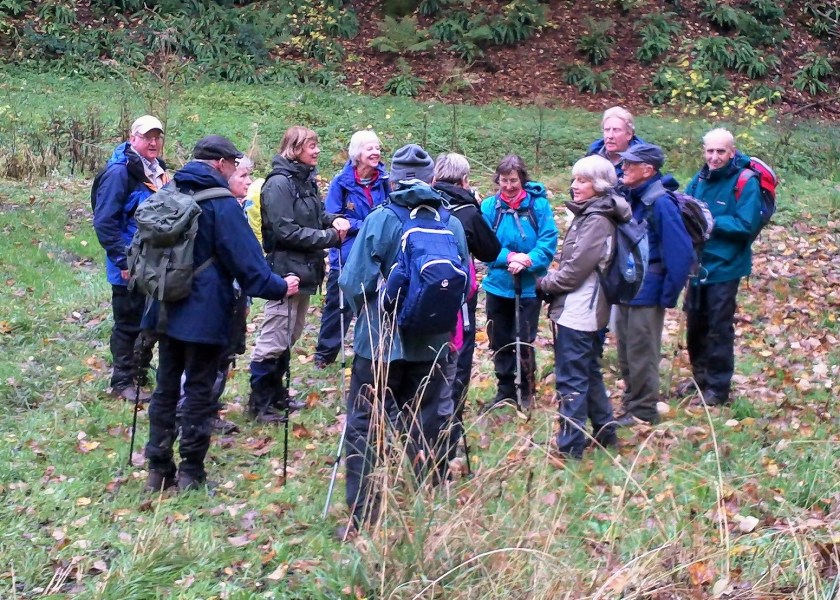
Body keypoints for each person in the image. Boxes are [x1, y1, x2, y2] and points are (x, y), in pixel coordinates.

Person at [144, 135, 299, 492]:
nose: (233, 170)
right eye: (232, 163)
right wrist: (278, 287)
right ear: (218, 164)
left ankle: (157, 469)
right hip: (204, 313)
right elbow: (248, 263)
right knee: (199, 391)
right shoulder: (221, 204)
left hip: (163, 306)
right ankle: (190, 475)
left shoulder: (168, 192)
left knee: (166, 388)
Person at [338, 144, 470, 534]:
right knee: (428, 423)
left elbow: (353, 281)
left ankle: (364, 519)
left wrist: (366, 315)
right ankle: (422, 510)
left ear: (392, 180)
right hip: (433, 343)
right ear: (432, 180)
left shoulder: (381, 219)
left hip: (380, 345)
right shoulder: (452, 223)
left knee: (366, 426)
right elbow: (463, 284)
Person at [248, 126, 350, 423]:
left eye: (317, 144)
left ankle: (277, 394)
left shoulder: (305, 180)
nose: (317, 150)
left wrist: (335, 220)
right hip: (285, 270)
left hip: (306, 270)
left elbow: (317, 215)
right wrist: (329, 237)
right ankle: (260, 402)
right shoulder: (279, 184)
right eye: (311, 146)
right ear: (294, 148)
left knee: (290, 334)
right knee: (274, 335)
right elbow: (285, 230)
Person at [539, 155, 631, 457]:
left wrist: (544, 284)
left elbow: (575, 271)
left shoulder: (597, 220)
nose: (574, 186)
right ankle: (606, 434)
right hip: (585, 308)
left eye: (582, 180)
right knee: (588, 371)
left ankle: (570, 448)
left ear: (599, 185)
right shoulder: (593, 214)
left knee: (571, 378)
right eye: (575, 179)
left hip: (582, 311)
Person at [613, 143, 694, 426]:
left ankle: (644, 411)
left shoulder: (661, 203)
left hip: (648, 292)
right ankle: (632, 403)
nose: (623, 169)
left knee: (642, 353)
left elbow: (681, 253)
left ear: (647, 170)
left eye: (629, 165)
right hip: (627, 287)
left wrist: (667, 296)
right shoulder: (632, 196)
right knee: (625, 351)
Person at [681, 128, 762, 406]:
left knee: (718, 327)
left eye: (720, 152)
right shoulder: (700, 177)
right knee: (695, 324)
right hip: (697, 264)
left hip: (726, 265)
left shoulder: (745, 181)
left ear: (732, 151)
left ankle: (718, 387)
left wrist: (709, 220)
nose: (714, 157)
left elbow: (746, 225)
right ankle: (699, 377)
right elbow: (686, 205)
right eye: (710, 151)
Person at [92, 115, 169, 400]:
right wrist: (124, 260)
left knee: (150, 320)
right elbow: (104, 222)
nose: (153, 142)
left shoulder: (158, 169)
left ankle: (139, 375)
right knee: (128, 323)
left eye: (157, 137)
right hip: (128, 264)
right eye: (147, 136)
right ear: (131, 137)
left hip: (154, 263)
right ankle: (122, 382)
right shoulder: (119, 173)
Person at [431, 153, 501, 447]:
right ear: (465, 180)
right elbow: (491, 251)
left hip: (422, 294)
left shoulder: (423, 203)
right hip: (460, 301)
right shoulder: (468, 212)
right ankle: (450, 428)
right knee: (458, 359)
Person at [480, 155, 558, 412]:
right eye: (504, 181)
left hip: (528, 287)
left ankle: (526, 390)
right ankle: (505, 391)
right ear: (498, 180)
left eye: (513, 180)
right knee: (499, 339)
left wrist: (528, 260)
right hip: (498, 285)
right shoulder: (490, 207)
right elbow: (484, 244)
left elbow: (548, 241)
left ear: (522, 179)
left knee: (524, 339)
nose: (509, 186)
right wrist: (509, 258)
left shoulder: (539, 206)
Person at [314, 130, 390, 369]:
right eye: (370, 149)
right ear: (357, 154)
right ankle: (325, 354)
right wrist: (367, 225)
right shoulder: (341, 182)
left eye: (377, 148)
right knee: (339, 304)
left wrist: (368, 226)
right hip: (347, 253)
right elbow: (333, 216)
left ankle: (374, 349)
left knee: (377, 302)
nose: (376, 152)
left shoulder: (385, 180)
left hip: (378, 251)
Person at [586, 106, 645, 181]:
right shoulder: (594, 152)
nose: (610, 136)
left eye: (616, 130)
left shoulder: (641, 159)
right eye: (607, 130)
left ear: (629, 134)